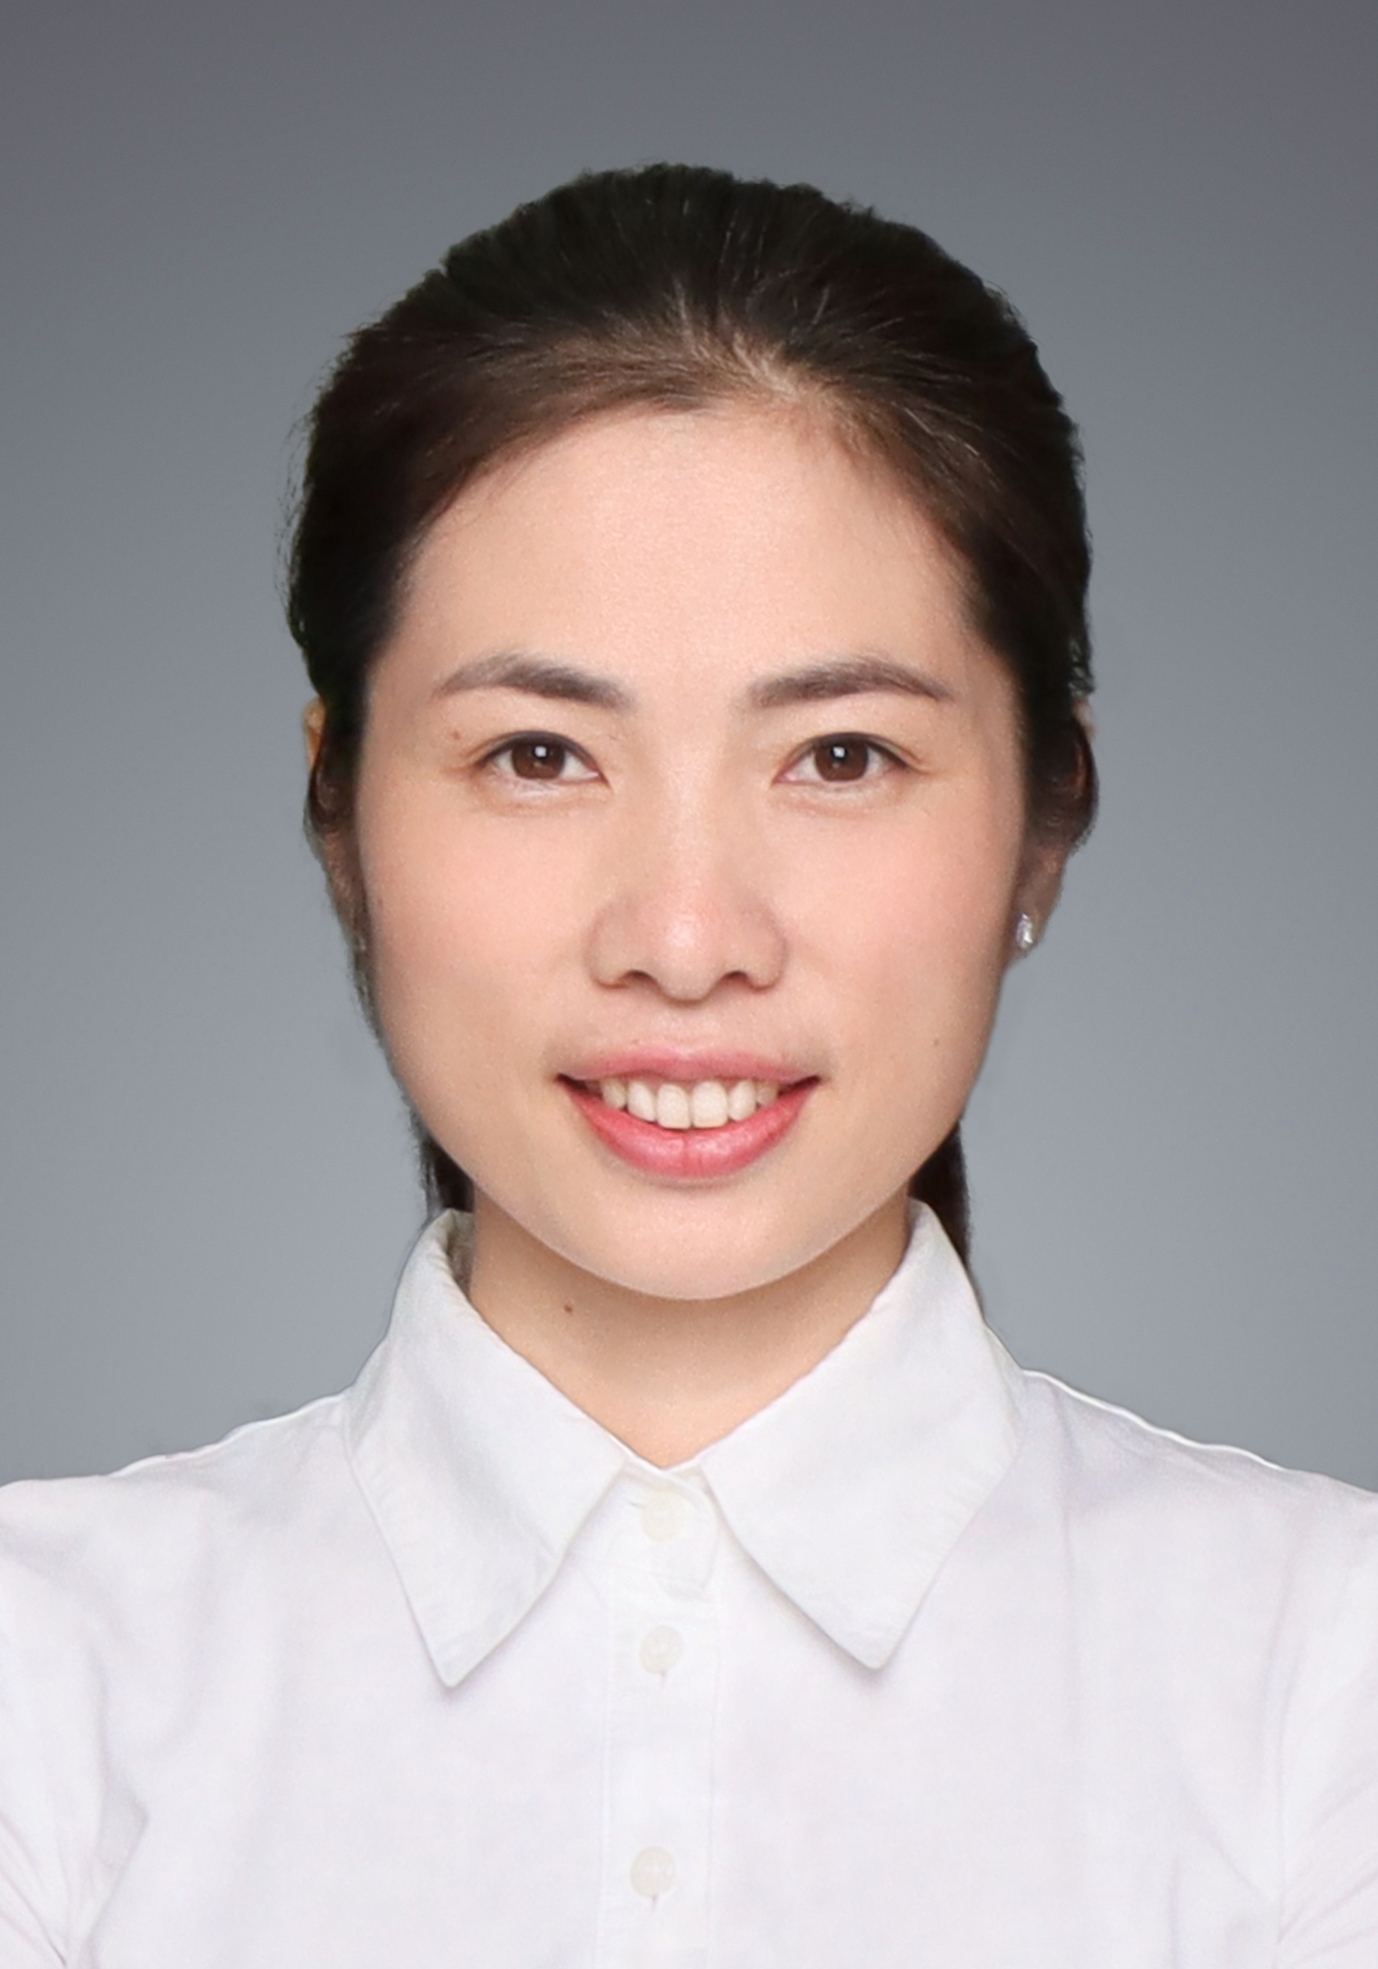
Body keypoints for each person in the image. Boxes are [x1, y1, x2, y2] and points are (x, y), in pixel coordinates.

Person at [0, 163, 1374, 1966]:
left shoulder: (1320, 1682)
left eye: (841, 757)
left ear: (1046, 820)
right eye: (537, 755)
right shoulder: (47, 1679)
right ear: (338, 814)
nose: (683, 932)